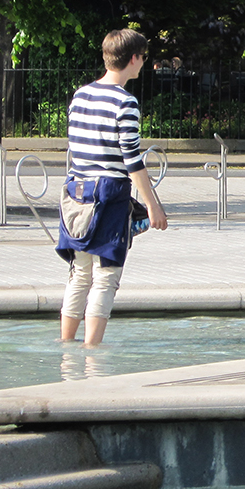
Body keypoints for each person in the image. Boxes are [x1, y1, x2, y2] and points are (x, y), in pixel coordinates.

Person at [56, 29, 168, 346]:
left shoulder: (80, 96)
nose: (143, 63)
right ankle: (92, 352)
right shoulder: (125, 102)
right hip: (109, 194)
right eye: (143, 57)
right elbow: (132, 161)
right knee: (106, 276)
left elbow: (76, 148)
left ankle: (66, 346)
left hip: (76, 192)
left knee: (80, 273)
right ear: (133, 58)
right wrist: (152, 205)